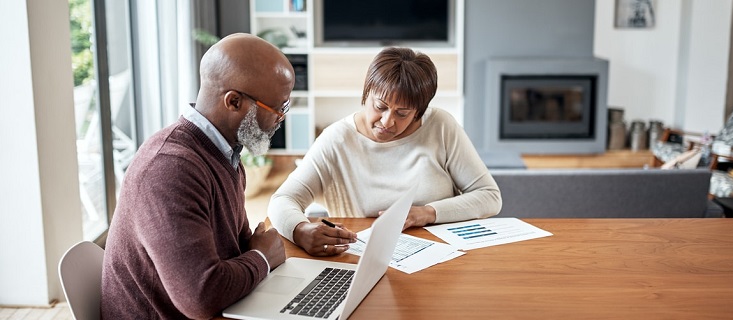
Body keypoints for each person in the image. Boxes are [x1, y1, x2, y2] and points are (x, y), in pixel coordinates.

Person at [101, 33, 293, 319]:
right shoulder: (169, 170)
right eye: (277, 108)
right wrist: (262, 259)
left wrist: (260, 252)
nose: (280, 118)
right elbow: (201, 296)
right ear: (234, 101)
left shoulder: (225, 154)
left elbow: (241, 249)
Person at [268, 47, 502, 256]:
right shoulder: (336, 140)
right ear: (366, 93)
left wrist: (428, 212)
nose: (387, 122)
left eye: (402, 113)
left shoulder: (441, 126)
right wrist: (300, 229)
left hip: (446, 256)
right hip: (363, 258)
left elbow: (489, 197)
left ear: (419, 111)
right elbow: (283, 199)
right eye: (380, 106)